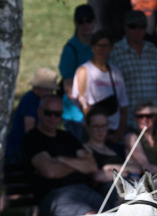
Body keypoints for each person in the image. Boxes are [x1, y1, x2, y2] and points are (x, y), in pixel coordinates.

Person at [22, 94, 106, 216]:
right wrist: (78, 166)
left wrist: (60, 160)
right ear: (39, 112)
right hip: (55, 196)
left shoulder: (68, 137)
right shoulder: (33, 138)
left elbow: (92, 166)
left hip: (85, 190)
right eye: (48, 113)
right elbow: (50, 171)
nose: (52, 117)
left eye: (57, 114)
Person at [110, 10, 157, 130]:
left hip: (153, 120)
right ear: (125, 27)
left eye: (142, 26)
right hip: (127, 121)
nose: (138, 30)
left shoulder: (153, 51)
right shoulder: (115, 52)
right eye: (133, 26)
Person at [73, 31, 130, 145]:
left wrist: (120, 132)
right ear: (93, 47)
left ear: (111, 48)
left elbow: (123, 105)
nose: (102, 50)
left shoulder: (116, 72)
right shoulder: (84, 71)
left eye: (106, 46)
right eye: (99, 45)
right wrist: (97, 130)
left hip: (114, 130)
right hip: (93, 132)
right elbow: (83, 103)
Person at [59, 4, 97, 142]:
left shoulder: (99, 46)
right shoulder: (70, 50)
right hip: (75, 114)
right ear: (75, 23)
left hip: (96, 110)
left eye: (89, 20)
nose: (85, 25)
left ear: (95, 22)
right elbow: (68, 87)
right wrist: (86, 111)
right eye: (81, 21)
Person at [5, 68, 58, 165]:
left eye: (52, 90)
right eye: (46, 89)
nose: (50, 93)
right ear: (36, 87)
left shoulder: (41, 100)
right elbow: (29, 129)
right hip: (19, 148)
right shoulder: (30, 100)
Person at [84, 106, 141, 194]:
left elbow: (137, 169)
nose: (100, 130)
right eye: (96, 126)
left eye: (104, 125)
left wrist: (111, 167)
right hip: (107, 191)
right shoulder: (85, 149)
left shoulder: (117, 148)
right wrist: (127, 173)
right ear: (88, 127)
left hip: (131, 186)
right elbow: (99, 176)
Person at [124, 102, 157, 183]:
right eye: (140, 116)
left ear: (155, 117)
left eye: (149, 116)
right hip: (145, 181)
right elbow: (146, 167)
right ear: (135, 118)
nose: (144, 119)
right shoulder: (132, 137)